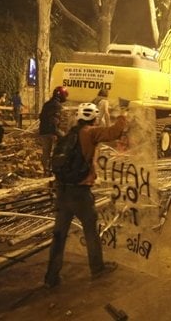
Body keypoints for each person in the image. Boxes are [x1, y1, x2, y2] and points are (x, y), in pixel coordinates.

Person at [44, 102, 128, 289]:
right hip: (80, 193)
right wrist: (123, 113)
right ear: (94, 118)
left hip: (62, 191)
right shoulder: (90, 133)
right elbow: (114, 132)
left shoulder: (69, 135)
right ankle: (97, 268)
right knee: (91, 231)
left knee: (59, 235)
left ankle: (51, 276)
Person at [38, 86, 68, 176]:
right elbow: (54, 121)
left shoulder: (47, 104)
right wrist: (58, 133)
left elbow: (41, 117)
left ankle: (46, 171)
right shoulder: (57, 105)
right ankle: (56, 170)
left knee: (46, 152)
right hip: (52, 132)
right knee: (58, 150)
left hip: (43, 130)